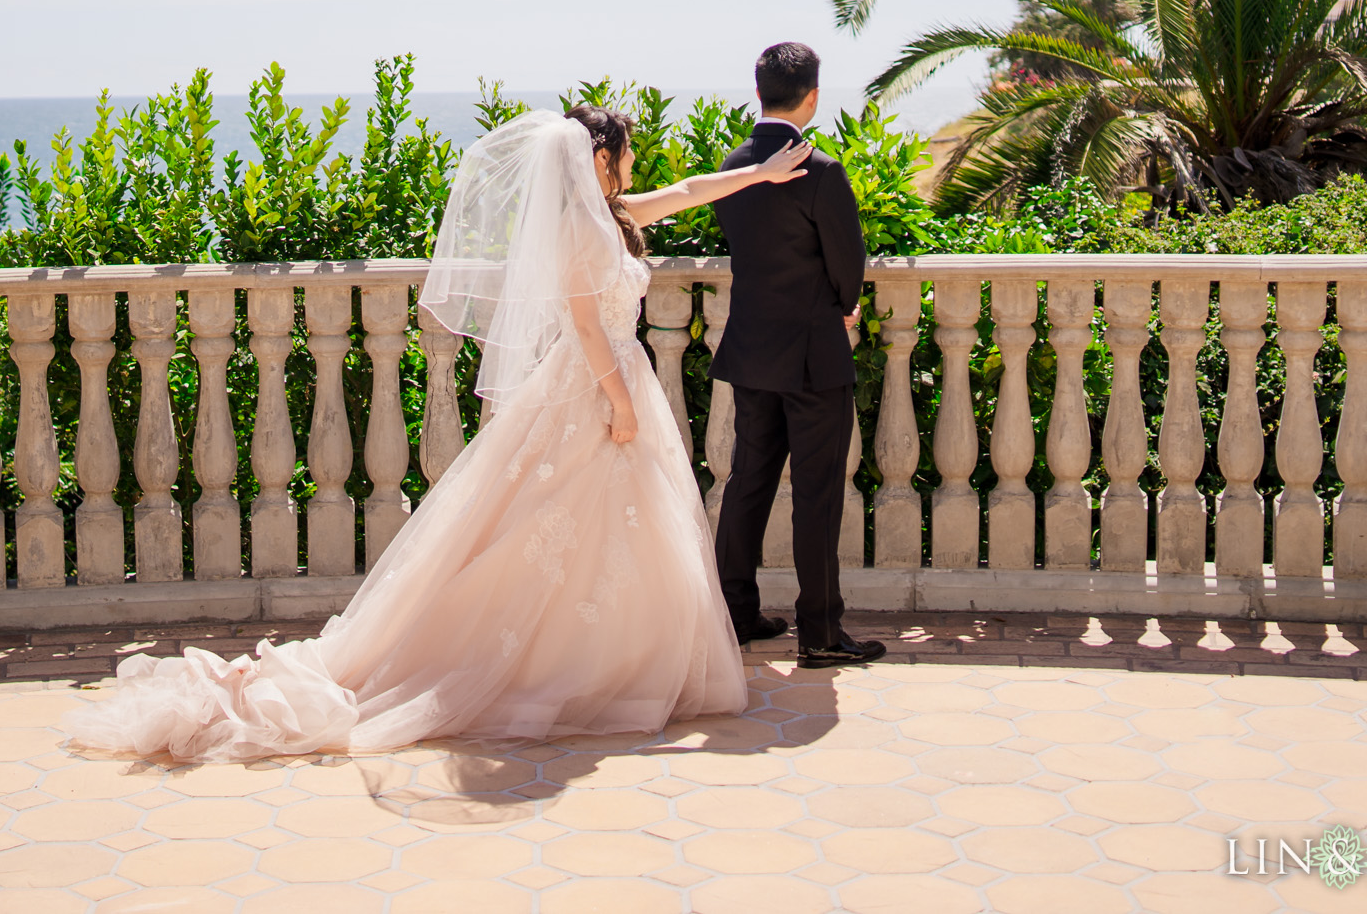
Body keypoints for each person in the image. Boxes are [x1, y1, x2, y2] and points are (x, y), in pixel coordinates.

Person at [63, 103, 815, 763]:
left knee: (608, 539)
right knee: (547, 537)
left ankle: (613, 664)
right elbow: (586, 325)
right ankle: (560, 671)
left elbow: (687, 193)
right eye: (625, 152)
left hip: (614, 384)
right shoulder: (581, 229)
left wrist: (763, 173)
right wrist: (619, 402)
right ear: (597, 159)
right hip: (597, 390)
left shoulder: (608, 215)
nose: (634, 165)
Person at [711, 42, 887, 669]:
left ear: (758, 92)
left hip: (752, 348)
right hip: (813, 352)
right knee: (816, 493)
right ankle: (819, 633)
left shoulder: (734, 167)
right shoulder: (822, 170)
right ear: (813, 96)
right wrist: (846, 304)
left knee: (746, 484)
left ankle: (733, 614)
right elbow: (847, 261)